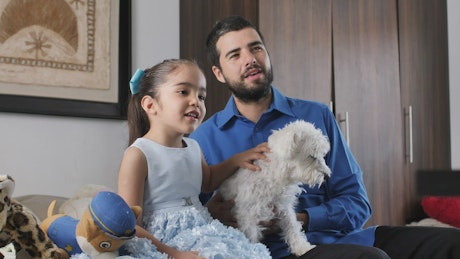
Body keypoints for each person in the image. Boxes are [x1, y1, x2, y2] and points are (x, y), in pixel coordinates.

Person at [189, 15, 460, 259]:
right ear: (219, 73)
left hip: (351, 238)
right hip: (280, 252)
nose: (250, 59)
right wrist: (213, 213)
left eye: (256, 47)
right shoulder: (203, 139)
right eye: (235, 55)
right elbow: (189, 222)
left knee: (453, 242)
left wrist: (303, 218)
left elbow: (357, 202)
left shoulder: (316, 115)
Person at [117, 59, 271, 259]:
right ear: (150, 104)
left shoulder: (193, 147)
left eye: (201, 96)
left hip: (201, 230)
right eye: (183, 92)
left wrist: (235, 161)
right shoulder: (138, 154)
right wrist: (175, 255)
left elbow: (207, 182)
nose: (196, 101)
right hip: (163, 244)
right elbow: (130, 227)